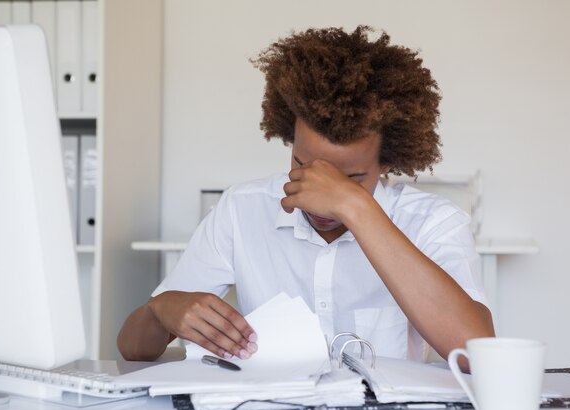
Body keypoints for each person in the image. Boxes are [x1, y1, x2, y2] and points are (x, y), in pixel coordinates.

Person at [117, 26, 495, 367]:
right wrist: (159, 310)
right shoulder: (241, 209)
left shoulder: (432, 222)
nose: (319, 193)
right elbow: (132, 348)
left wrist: (355, 208)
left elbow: (476, 354)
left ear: (388, 162)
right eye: (302, 163)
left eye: (351, 178)